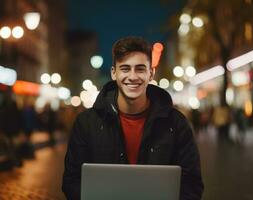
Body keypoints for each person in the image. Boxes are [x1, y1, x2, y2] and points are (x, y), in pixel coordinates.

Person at [62, 36, 204, 200]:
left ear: (151, 74)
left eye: (140, 69)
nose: (132, 76)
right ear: (114, 73)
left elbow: (192, 184)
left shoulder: (177, 123)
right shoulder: (86, 123)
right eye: (125, 69)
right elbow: (71, 181)